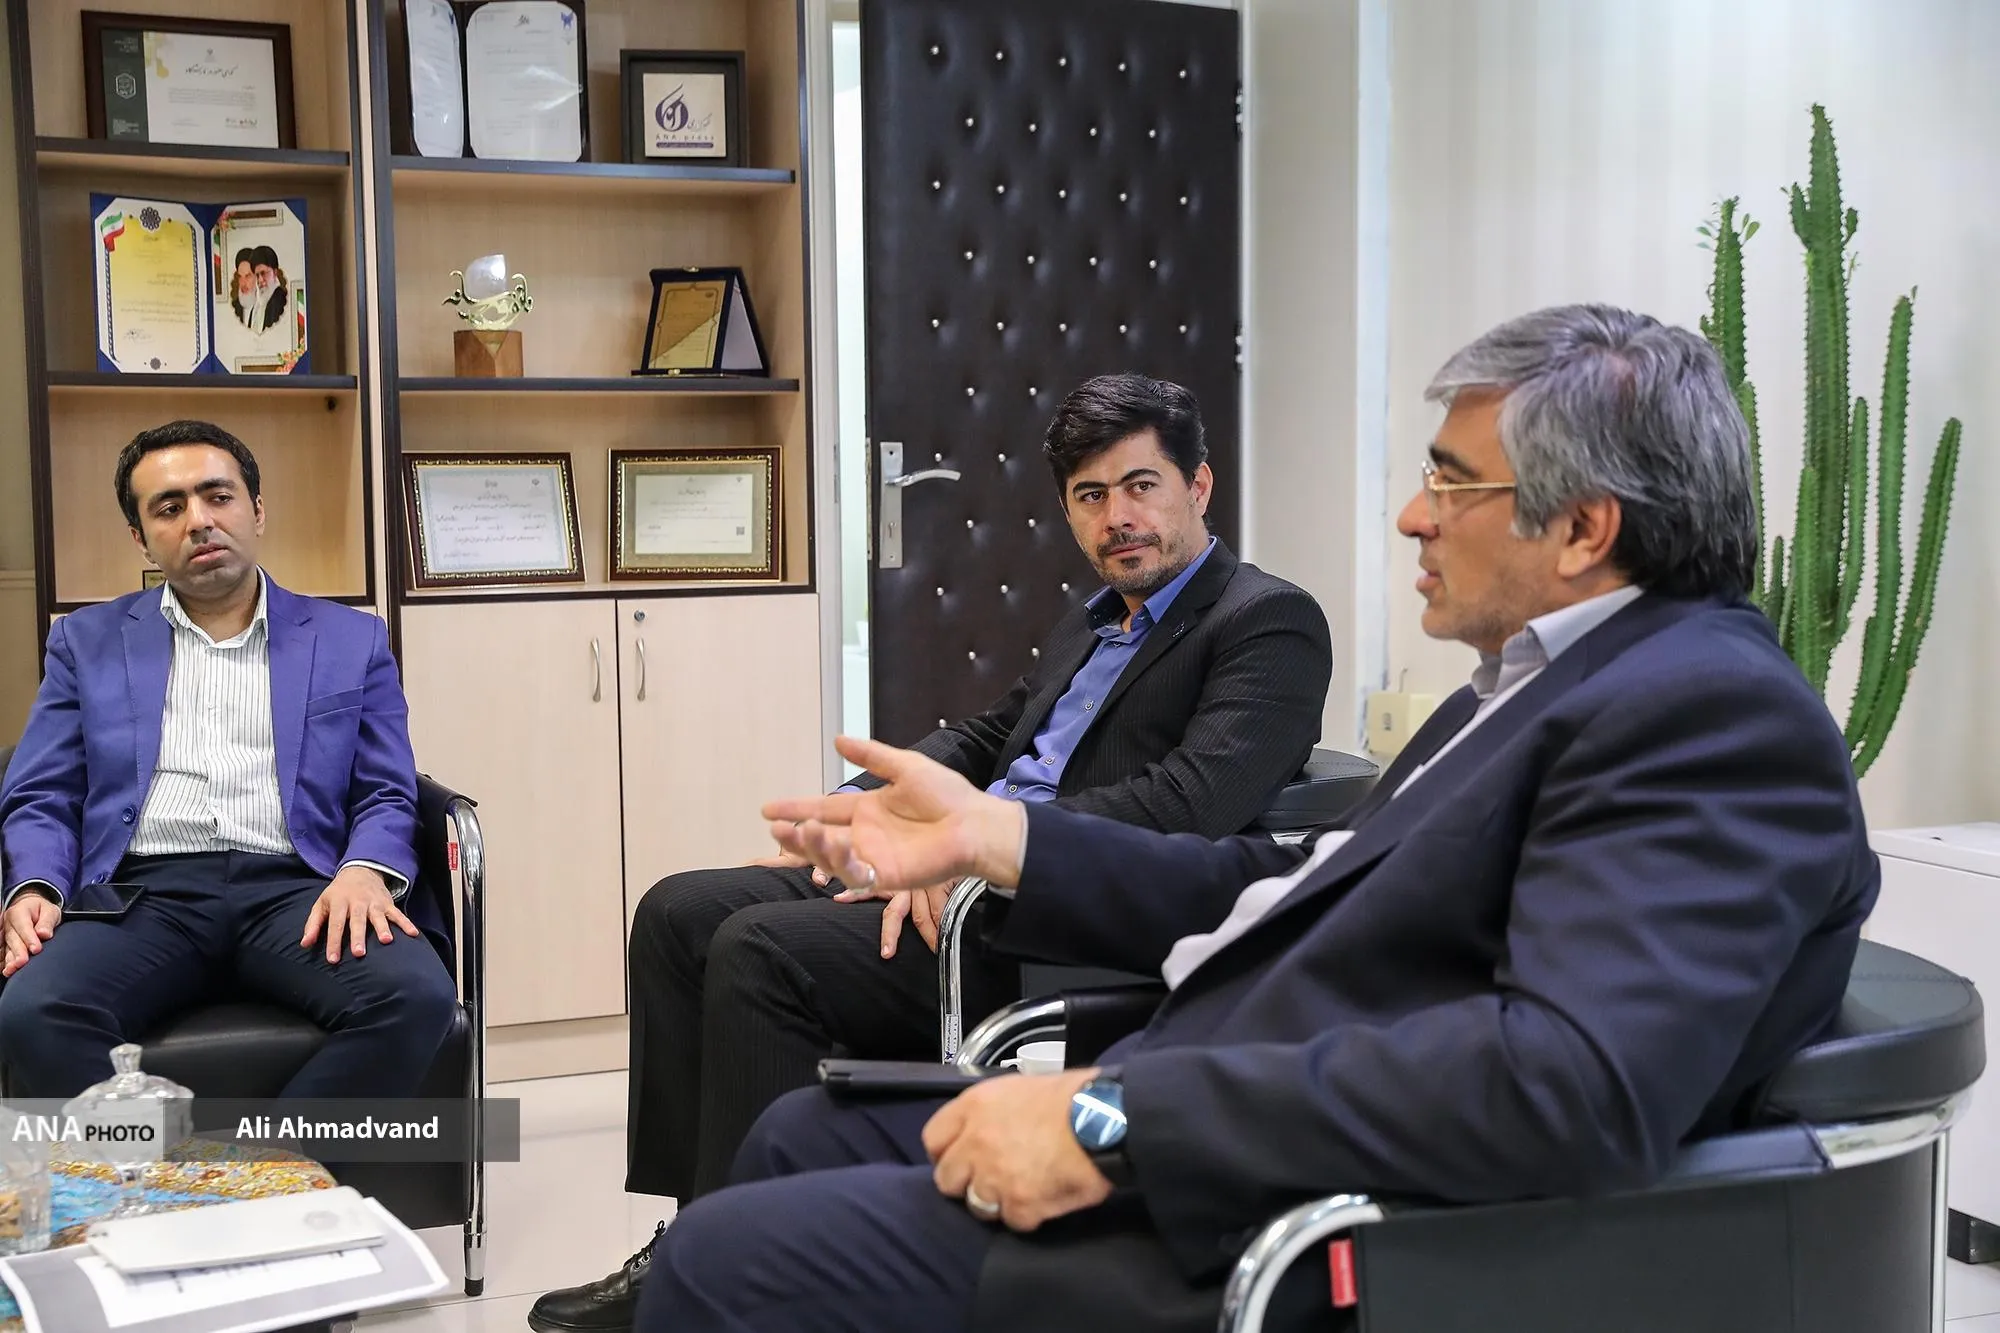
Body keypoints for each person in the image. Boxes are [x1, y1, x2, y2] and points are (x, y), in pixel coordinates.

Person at [632, 305, 1879, 1333]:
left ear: (1583, 528)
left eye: (1448, 481)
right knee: (800, 1130)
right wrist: (991, 838)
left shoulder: (1708, 715)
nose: (1412, 515)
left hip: (1267, 1227)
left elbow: (1564, 1084)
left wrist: (1110, 1121)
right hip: (1201, 1105)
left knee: (726, 1265)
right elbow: (1285, 879)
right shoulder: (1523, 691)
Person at [529, 374, 1333, 1333]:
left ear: (1198, 486)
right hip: (957, 868)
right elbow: (993, 735)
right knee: (678, 911)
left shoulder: (1268, 623)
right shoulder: (1093, 619)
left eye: (1141, 485)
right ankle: (686, 1236)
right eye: (1090, 495)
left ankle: (749, 1271)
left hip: (1044, 914)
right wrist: (866, 805)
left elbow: (1187, 808)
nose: (1118, 516)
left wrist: (977, 847)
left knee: (762, 950)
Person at [0, 420, 457, 1099]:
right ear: (141, 537)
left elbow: (387, 789)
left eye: (218, 496)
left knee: (416, 997)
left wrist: (365, 868)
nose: (199, 521)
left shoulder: (351, 639)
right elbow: (43, 790)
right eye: (169, 507)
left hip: (300, 887)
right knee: (33, 1010)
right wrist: (36, 885)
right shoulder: (85, 641)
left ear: (257, 510)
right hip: (142, 894)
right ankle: (162, 1170)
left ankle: (263, 1163)